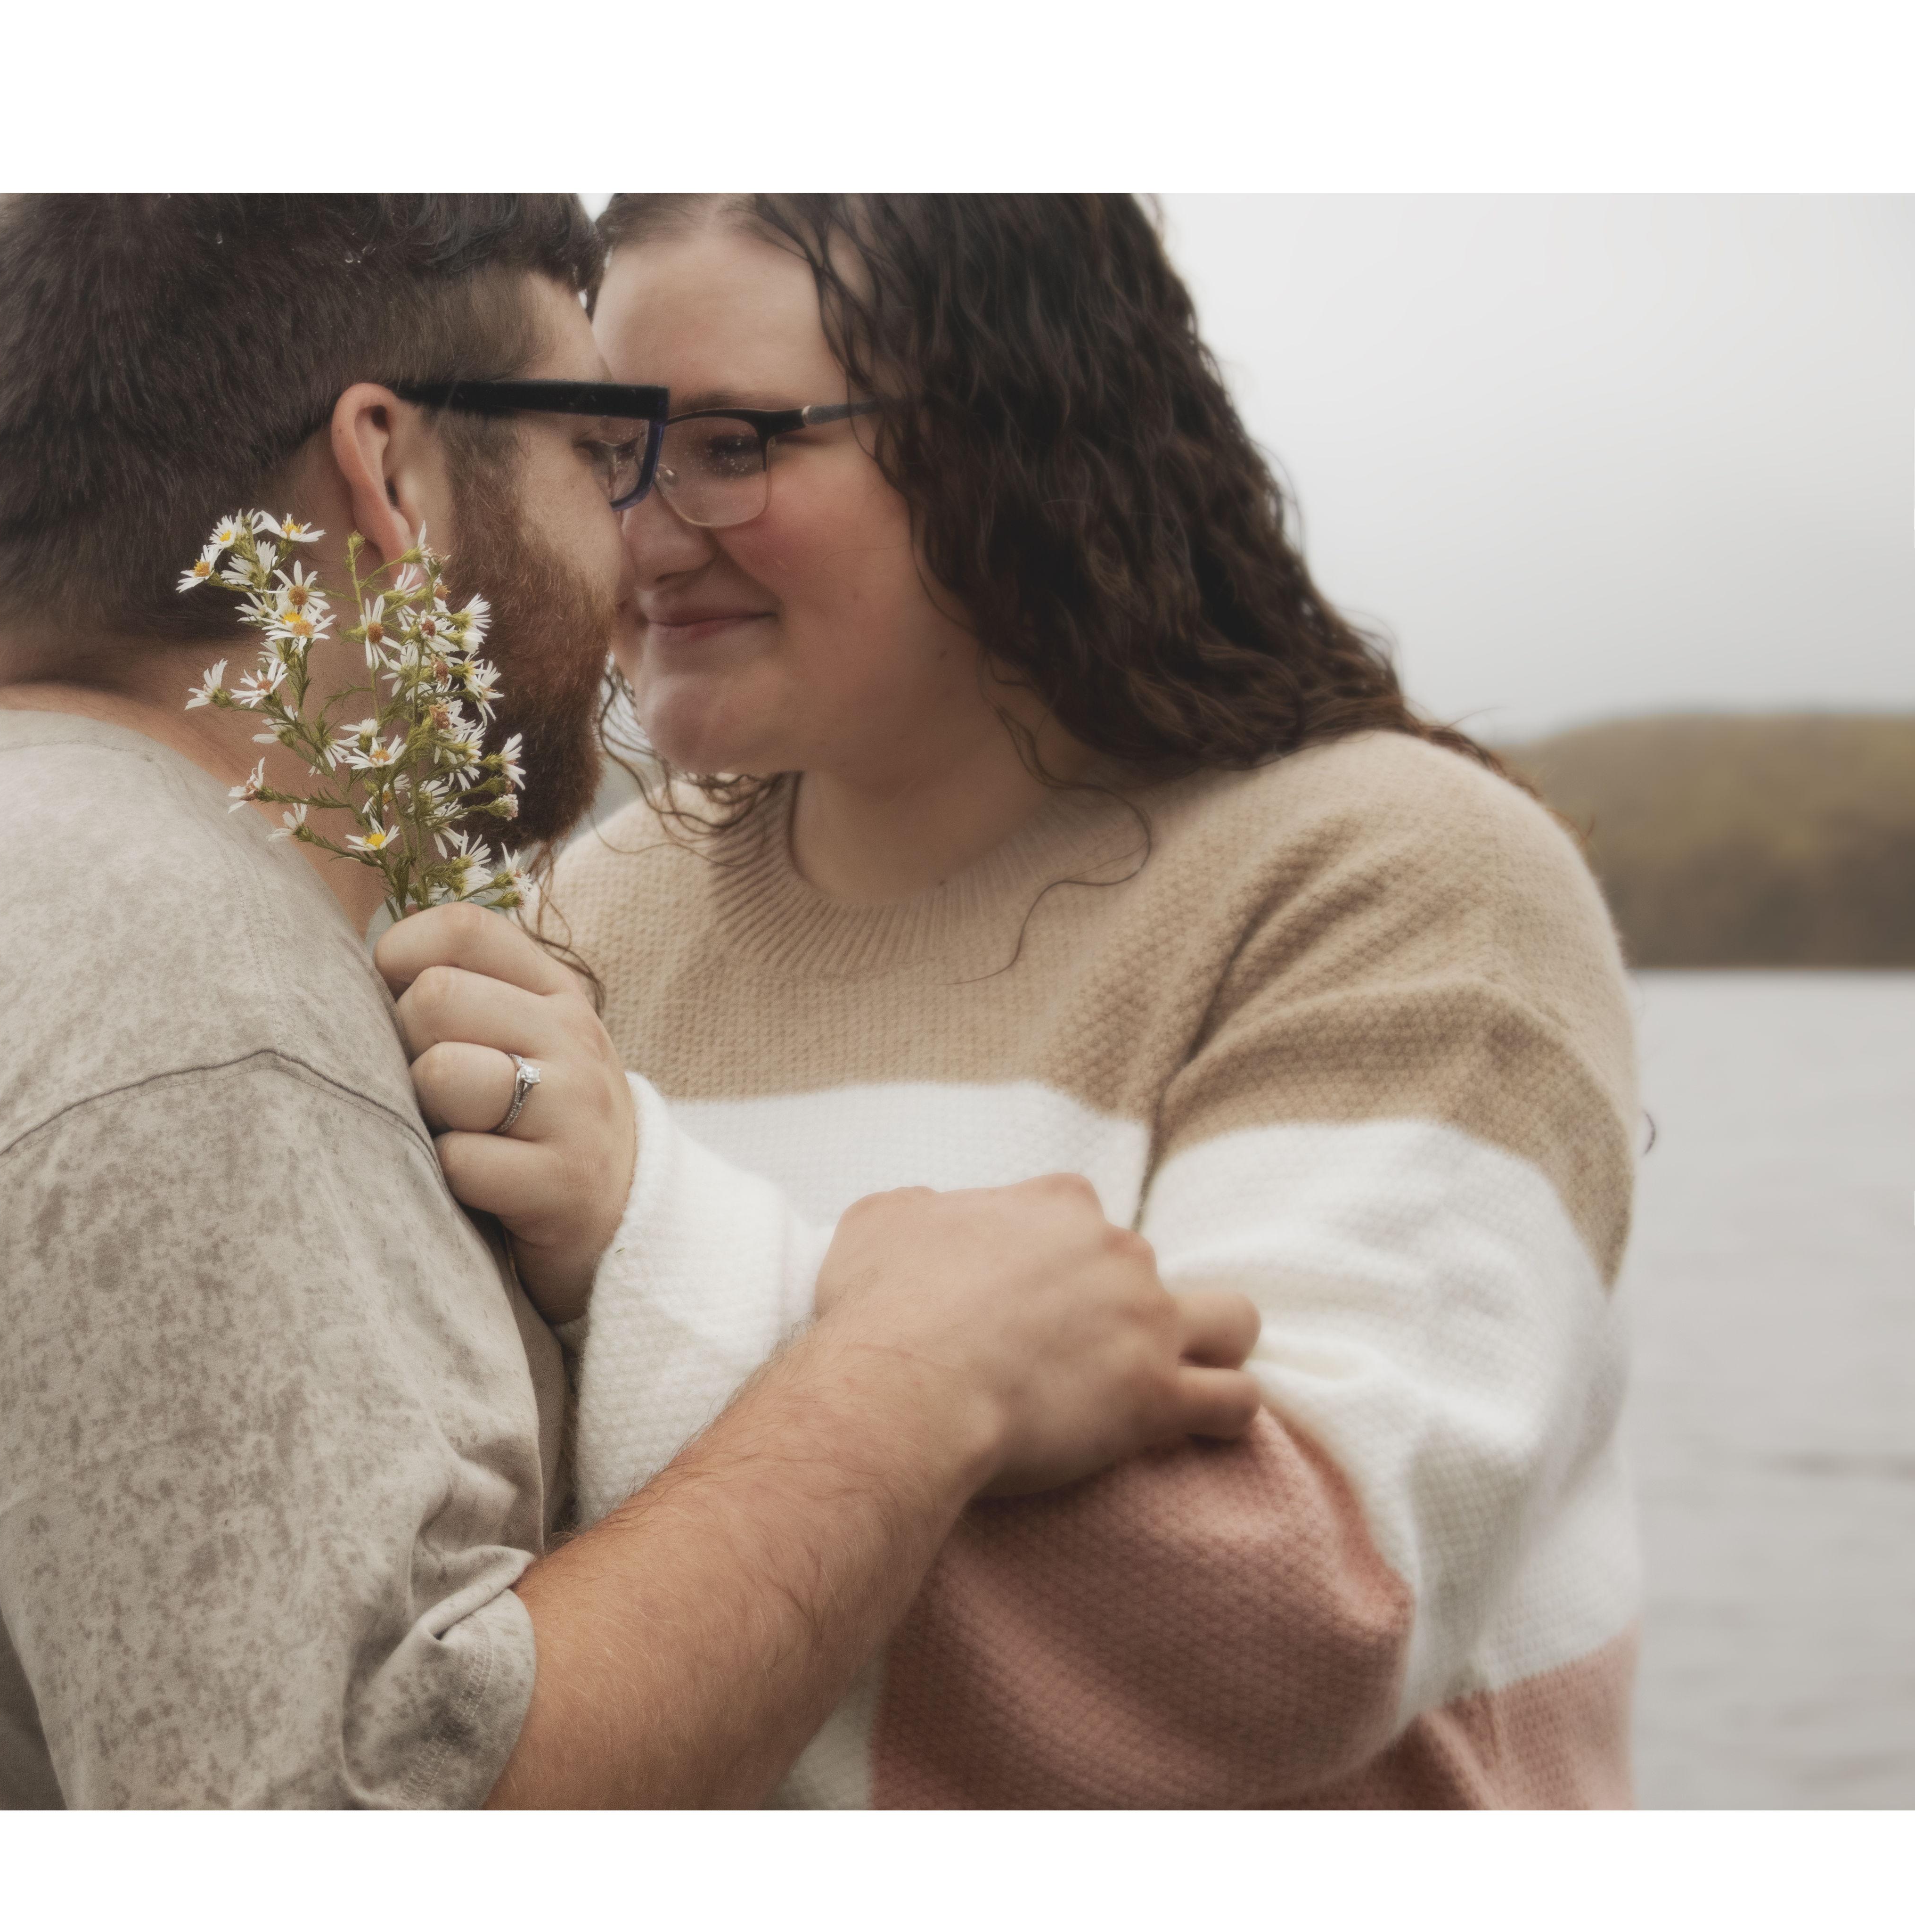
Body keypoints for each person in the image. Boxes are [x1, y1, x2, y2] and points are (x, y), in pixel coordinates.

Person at [0, 194, 1261, 1811]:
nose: (640, 535)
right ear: (391, 471)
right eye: (597, 447)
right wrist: (912, 1373)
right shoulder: (184, 1019)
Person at [382, 193, 1643, 1809]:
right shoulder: (587, 916)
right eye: (612, 449)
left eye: (732, 445)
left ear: (1021, 433)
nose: (643, 532)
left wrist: (648, 1236)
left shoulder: (1401, 881)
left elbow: (1296, 1629)